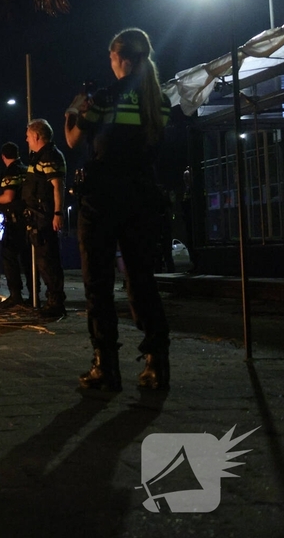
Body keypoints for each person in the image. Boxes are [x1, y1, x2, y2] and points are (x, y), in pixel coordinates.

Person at [64, 27, 172, 392]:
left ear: (119, 57)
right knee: (142, 281)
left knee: (98, 284)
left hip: (102, 200)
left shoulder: (106, 98)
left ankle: (105, 366)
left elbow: (75, 139)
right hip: (142, 197)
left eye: (111, 58)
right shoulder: (160, 101)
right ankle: (157, 361)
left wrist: (74, 112)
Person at [21, 119, 67, 318]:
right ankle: (51, 300)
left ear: (37, 136)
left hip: (45, 216)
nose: (27, 140)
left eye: (28, 136)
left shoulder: (49, 156)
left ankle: (55, 303)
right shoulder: (39, 156)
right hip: (36, 216)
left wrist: (57, 214)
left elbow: (58, 186)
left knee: (48, 260)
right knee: (43, 260)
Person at [0, 141, 36, 308]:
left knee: (9, 256)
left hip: (14, 222)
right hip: (28, 221)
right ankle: (34, 295)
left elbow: (8, 197)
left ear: (3, 156)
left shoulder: (10, 171)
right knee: (28, 260)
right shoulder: (26, 169)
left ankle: (15, 295)